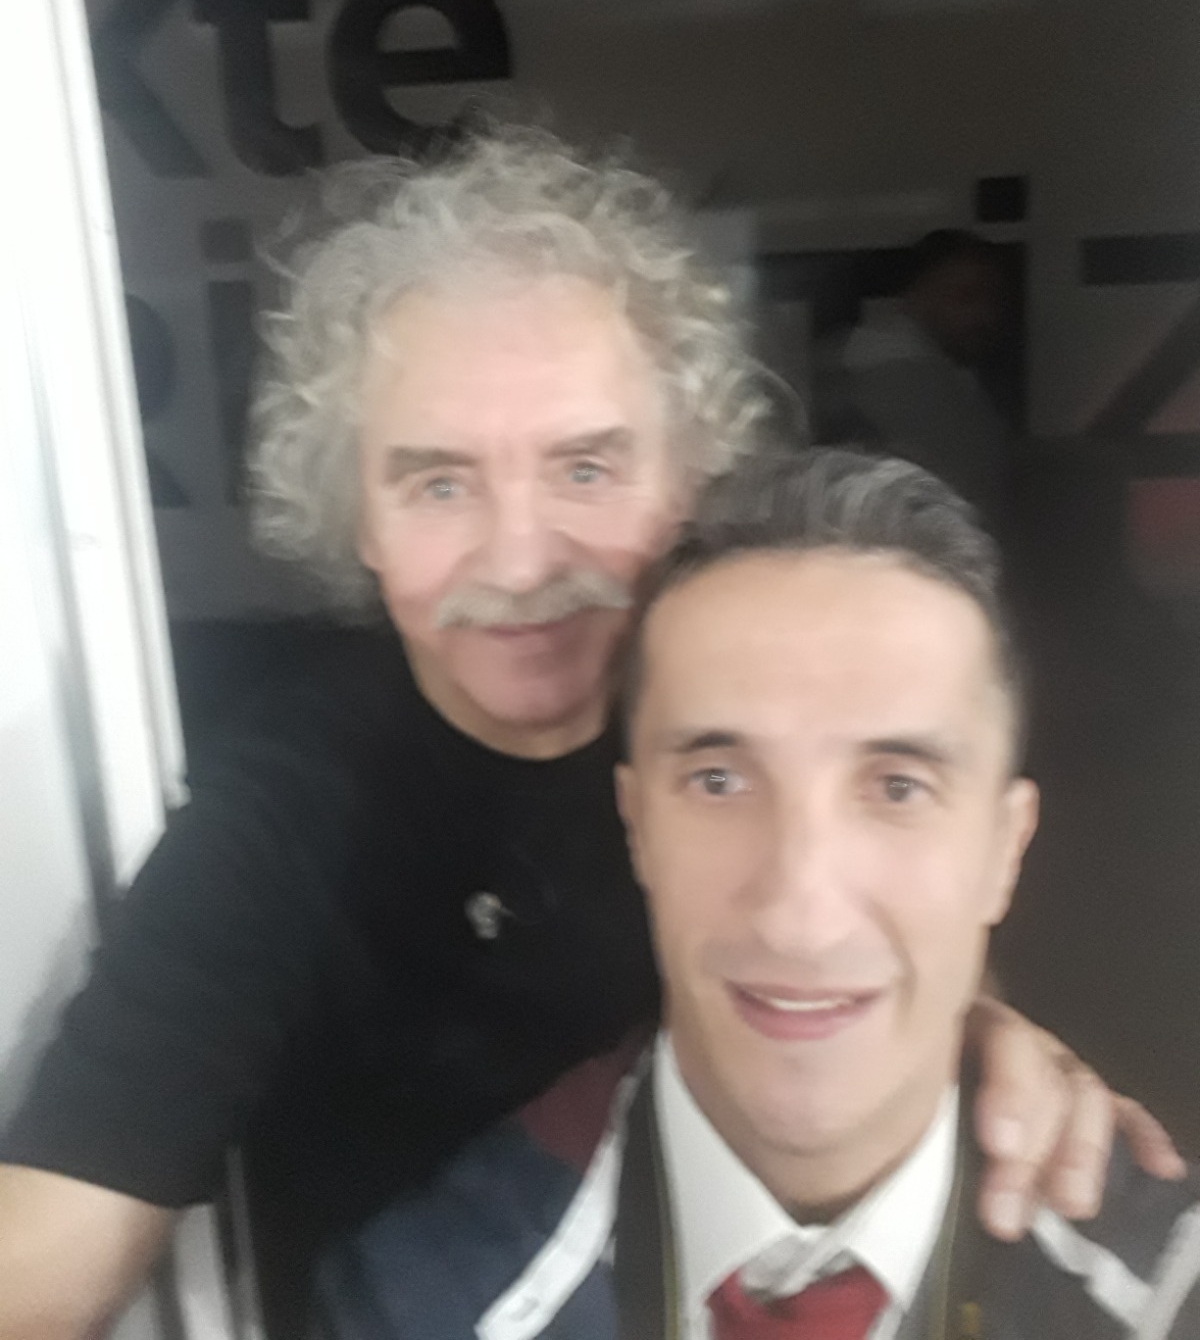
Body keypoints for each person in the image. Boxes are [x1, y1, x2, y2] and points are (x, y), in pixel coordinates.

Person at [0, 131, 1182, 1340]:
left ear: (690, 476)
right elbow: (52, 1242)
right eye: (439, 483)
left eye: (585, 468)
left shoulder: (767, 695)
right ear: (360, 519)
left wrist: (972, 1029)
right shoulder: (289, 811)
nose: (521, 561)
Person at [319, 449, 1200, 1340]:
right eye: (719, 781)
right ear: (637, 825)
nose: (800, 915)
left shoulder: (1169, 1297)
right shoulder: (416, 1306)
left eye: (898, 788)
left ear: (1004, 850)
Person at [817, 230, 1016, 523]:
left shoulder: (944, 373)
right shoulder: (897, 380)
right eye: (966, 296)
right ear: (916, 294)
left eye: (995, 301)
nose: (985, 316)